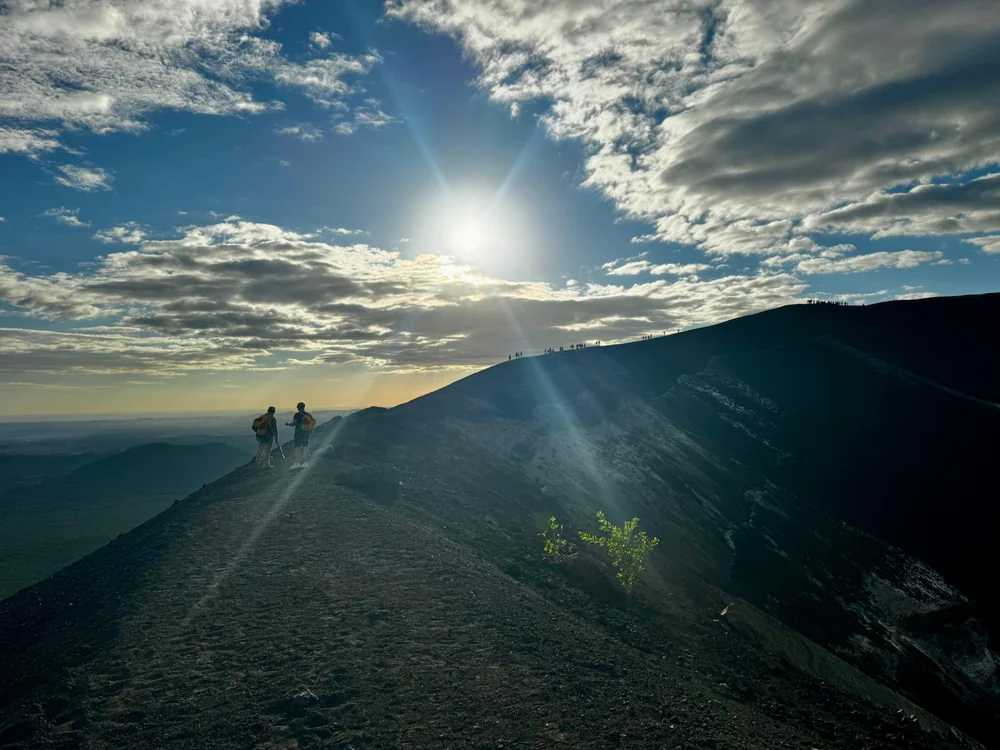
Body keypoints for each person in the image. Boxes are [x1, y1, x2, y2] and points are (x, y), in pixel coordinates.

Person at [286, 401, 311, 469]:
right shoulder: (308, 415)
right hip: (306, 433)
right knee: (305, 447)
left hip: (299, 433)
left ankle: (297, 463)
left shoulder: (297, 415)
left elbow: (293, 423)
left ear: (298, 408)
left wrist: (288, 423)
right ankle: (306, 463)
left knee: (297, 448)